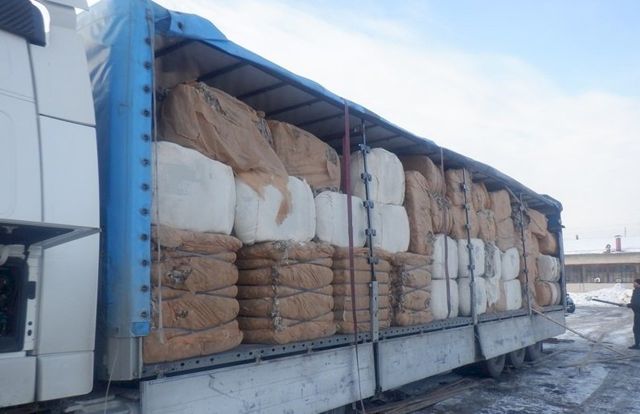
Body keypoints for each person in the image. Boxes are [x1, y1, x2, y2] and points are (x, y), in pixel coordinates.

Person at [627, 279, 640, 350]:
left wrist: (629, 305)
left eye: (634, 283)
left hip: (638, 313)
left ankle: (637, 345)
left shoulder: (638, 291)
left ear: (638, 284)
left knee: (637, 329)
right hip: (637, 312)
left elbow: (637, 303)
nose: (633, 284)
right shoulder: (637, 291)